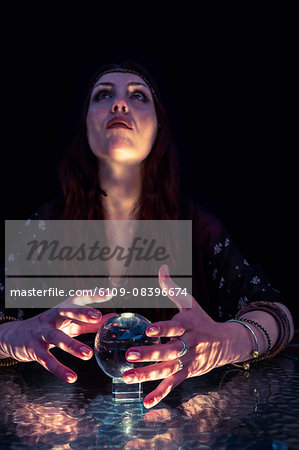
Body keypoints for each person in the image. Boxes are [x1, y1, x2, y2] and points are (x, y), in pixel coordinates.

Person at [0, 60, 294, 409]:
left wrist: (231, 339)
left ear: (158, 128)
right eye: (103, 95)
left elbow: (280, 314)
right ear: (85, 125)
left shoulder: (196, 226)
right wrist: (10, 337)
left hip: (180, 427)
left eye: (138, 96)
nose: (119, 104)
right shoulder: (46, 225)